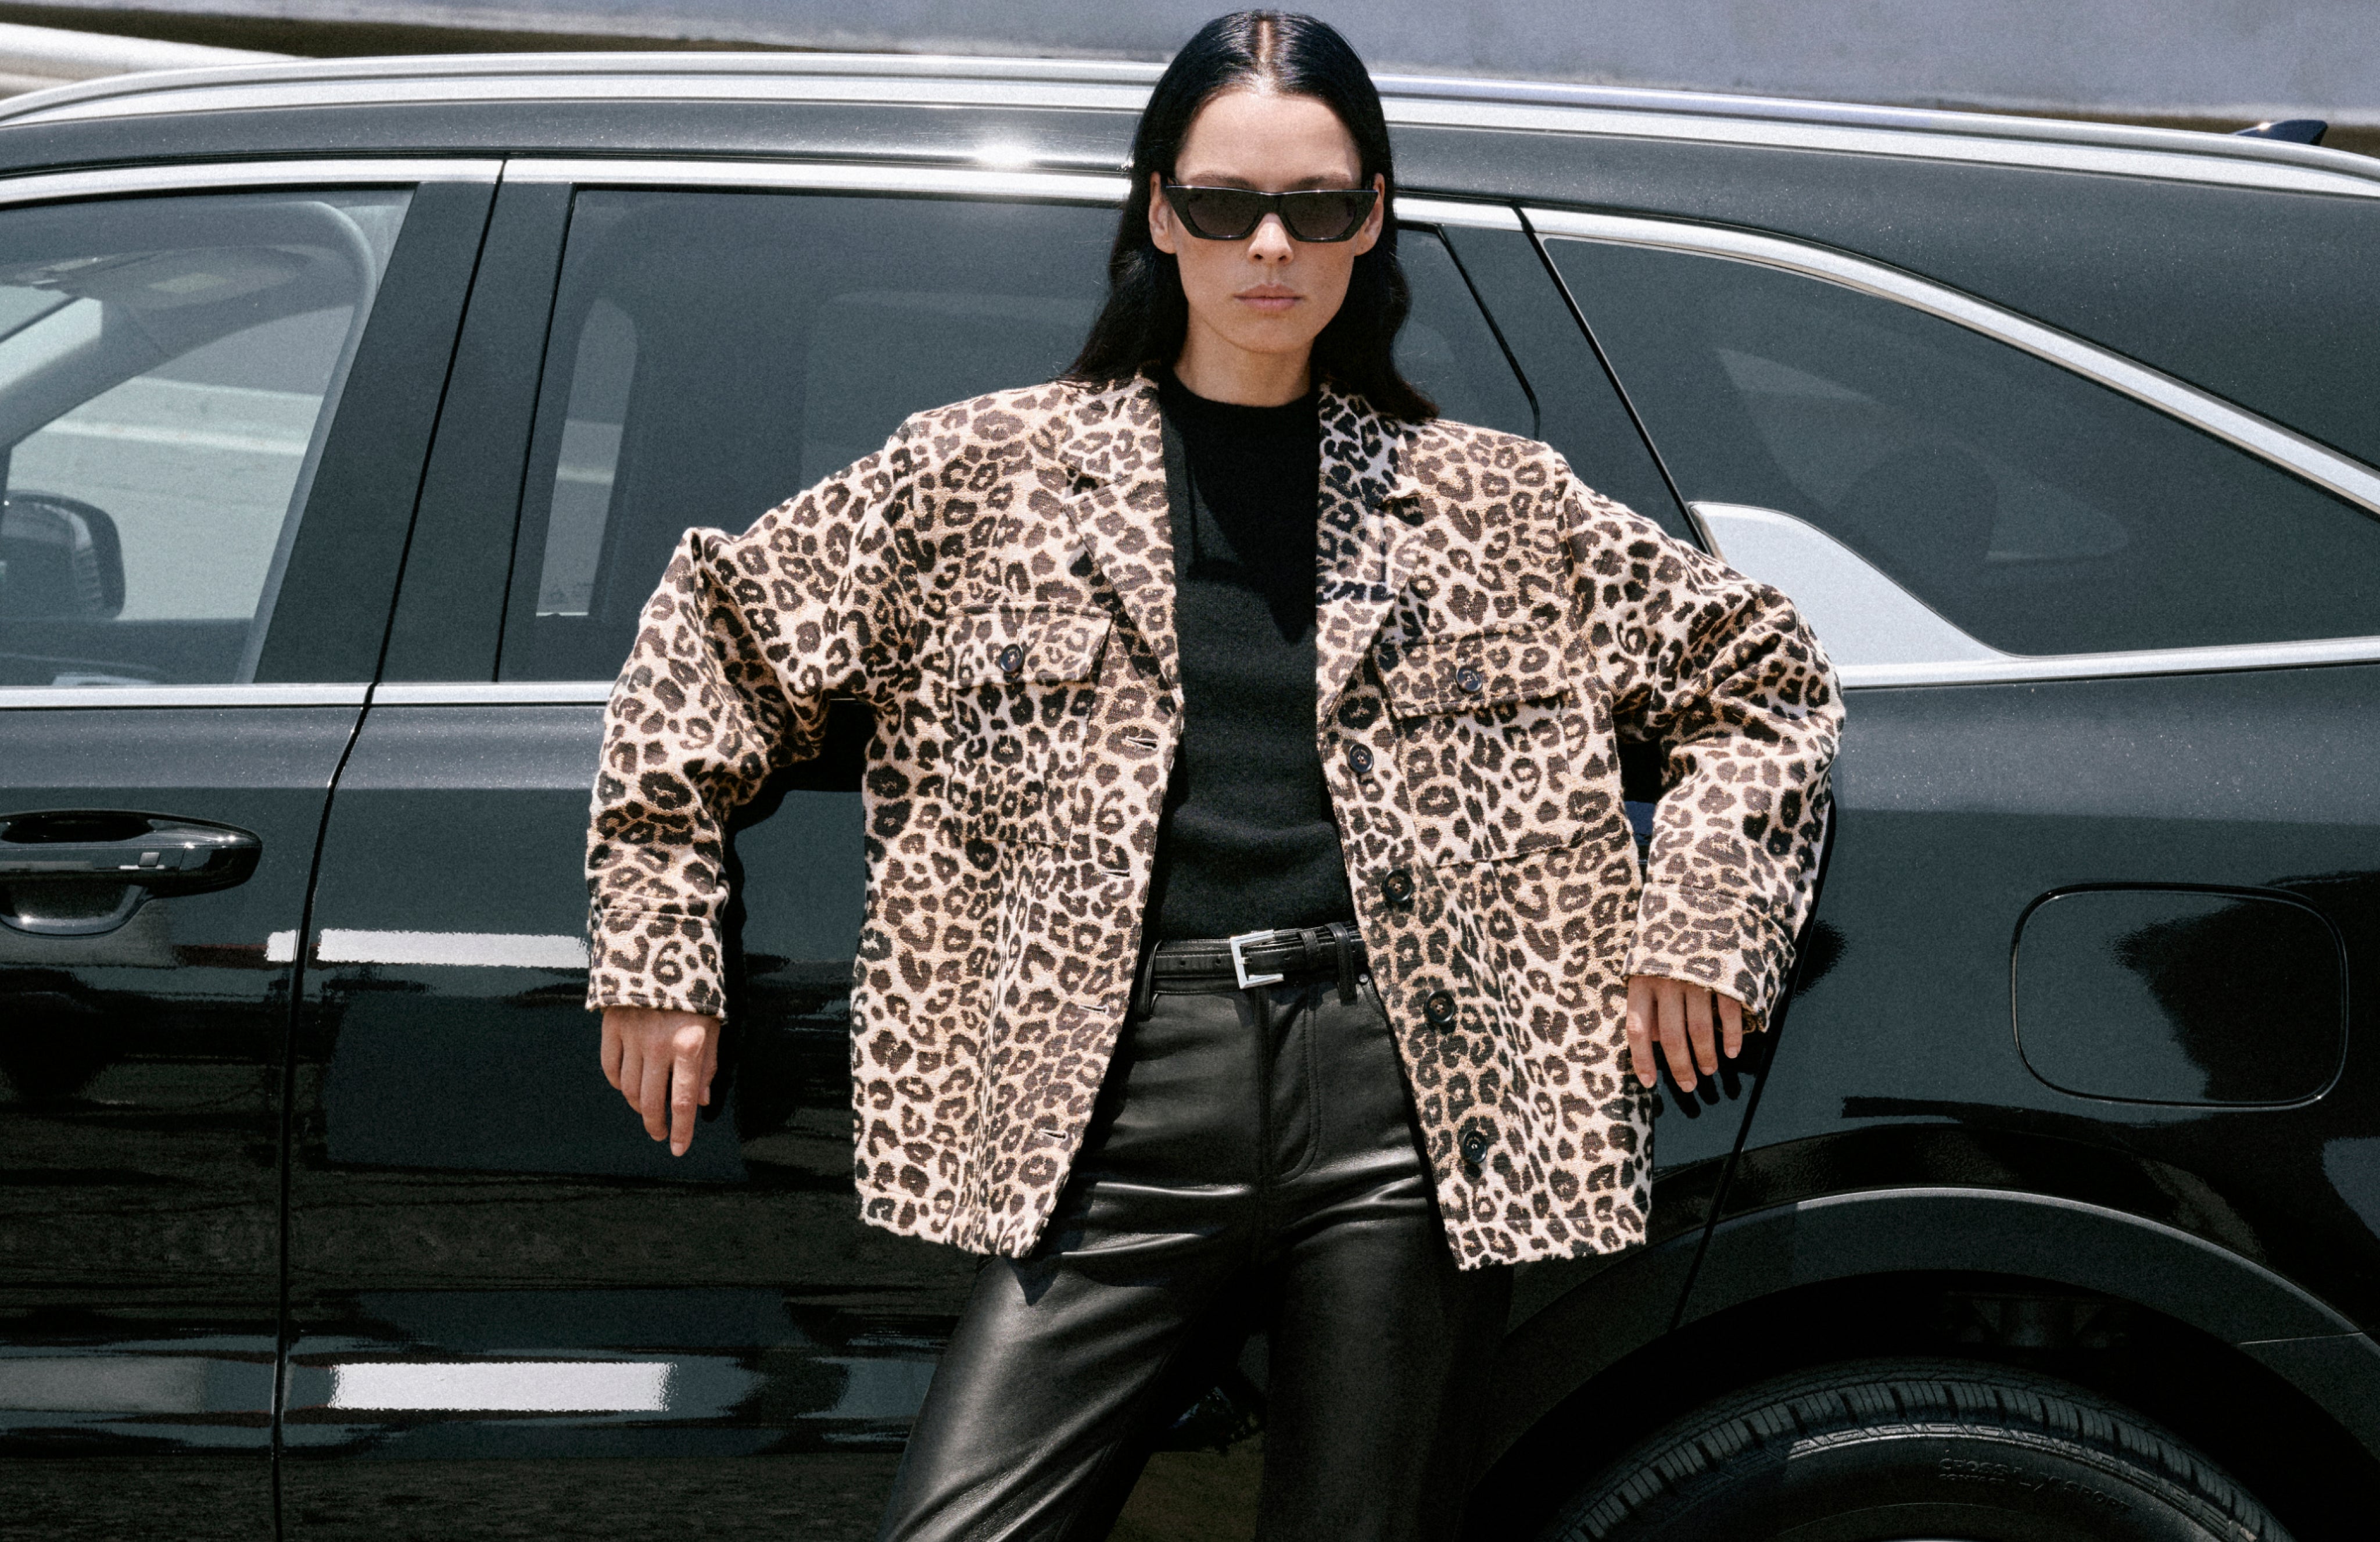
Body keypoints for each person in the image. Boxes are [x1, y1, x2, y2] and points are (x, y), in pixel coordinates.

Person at [586, 11, 1841, 1540]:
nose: (1270, 245)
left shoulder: (1495, 508)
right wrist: (655, 951)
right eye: (1225, 202)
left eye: (1316, 204)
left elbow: (1762, 673)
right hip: (1114, 1087)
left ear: (1371, 218)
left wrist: (1702, 921)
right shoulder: (981, 476)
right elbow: (715, 641)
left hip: (1410, 1100)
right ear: (1160, 212)